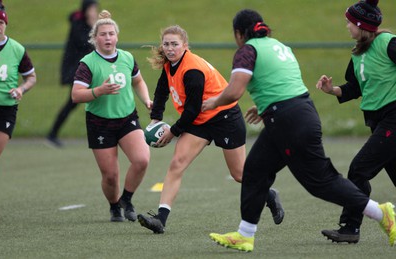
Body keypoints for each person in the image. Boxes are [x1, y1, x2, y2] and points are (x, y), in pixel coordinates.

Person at [202, 8, 396, 252]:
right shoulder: (279, 46)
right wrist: (265, 109)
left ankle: (381, 213)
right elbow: (285, 85)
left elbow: (234, 91)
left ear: (239, 33)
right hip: (293, 114)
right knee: (255, 171)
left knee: (321, 182)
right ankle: (245, 234)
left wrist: (214, 102)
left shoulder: (247, 50)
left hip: (287, 120)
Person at [137, 25, 284, 234]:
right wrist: (155, 119)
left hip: (225, 118)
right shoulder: (170, 65)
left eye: (175, 44)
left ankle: (269, 195)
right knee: (176, 163)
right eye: (166, 44)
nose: (170, 48)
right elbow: (162, 91)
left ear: (185, 46)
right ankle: (160, 219)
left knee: (240, 174)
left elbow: (192, 109)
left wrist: (173, 132)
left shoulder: (192, 70)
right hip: (200, 120)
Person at [316, 0, 396, 244]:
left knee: (359, 169)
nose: (347, 26)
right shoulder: (359, 52)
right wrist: (332, 90)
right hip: (377, 121)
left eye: (349, 22)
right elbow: (354, 88)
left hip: (393, 118)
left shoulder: (388, 43)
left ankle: (350, 228)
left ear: (361, 25)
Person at [71, 10, 152, 222]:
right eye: (103, 34)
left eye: (111, 34)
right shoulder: (87, 63)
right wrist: (99, 91)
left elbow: (138, 81)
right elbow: (76, 95)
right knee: (110, 176)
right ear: (94, 38)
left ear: (117, 36)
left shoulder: (127, 57)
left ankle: (127, 199)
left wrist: (146, 100)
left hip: (127, 118)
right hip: (99, 123)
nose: (108, 38)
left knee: (142, 159)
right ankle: (115, 206)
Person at [47, 0, 99, 147]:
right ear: (86, 9)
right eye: (92, 9)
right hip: (76, 69)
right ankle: (52, 134)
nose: (94, 12)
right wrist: (93, 26)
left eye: (95, 9)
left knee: (79, 101)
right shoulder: (78, 24)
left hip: (87, 69)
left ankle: (52, 133)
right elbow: (86, 43)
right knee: (75, 101)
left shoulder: (89, 25)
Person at [0, 0, 36, 173]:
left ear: (5, 24)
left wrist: (21, 89)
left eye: (0, 23)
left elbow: (31, 77)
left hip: (5, 109)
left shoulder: (17, 49)